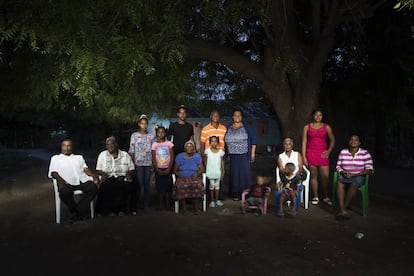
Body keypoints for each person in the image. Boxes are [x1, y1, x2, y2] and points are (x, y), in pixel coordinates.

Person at [48, 138, 98, 221]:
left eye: (68, 146)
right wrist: (60, 180)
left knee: (93, 188)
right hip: (66, 182)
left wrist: (94, 175)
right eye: (64, 145)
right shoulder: (55, 158)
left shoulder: (79, 157)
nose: (66, 148)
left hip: (82, 181)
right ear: (61, 147)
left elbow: (85, 169)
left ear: (72, 147)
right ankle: (76, 210)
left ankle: (76, 211)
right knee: (64, 192)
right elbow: (53, 172)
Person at [335, 135, 373, 220]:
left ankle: (343, 209)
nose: (353, 141)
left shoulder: (365, 153)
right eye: (351, 140)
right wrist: (342, 172)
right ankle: (342, 209)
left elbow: (369, 169)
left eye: (356, 140)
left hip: (358, 176)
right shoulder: (343, 152)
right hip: (346, 175)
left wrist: (354, 175)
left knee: (354, 183)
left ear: (359, 143)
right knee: (339, 183)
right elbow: (338, 166)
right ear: (349, 142)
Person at [302, 108, 335, 205]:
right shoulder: (307, 127)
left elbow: (332, 140)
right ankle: (315, 197)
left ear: (322, 116)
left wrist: (328, 151)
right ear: (313, 116)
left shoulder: (326, 127)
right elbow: (304, 142)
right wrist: (304, 157)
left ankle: (326, 196)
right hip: (311, 153)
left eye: (320, 115)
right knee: (314, 176)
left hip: (322, 154)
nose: (318, 117)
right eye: (316, 115)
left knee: (325, 177)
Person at [96, 136, 135, 216]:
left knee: (125, 186)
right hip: (108, 178)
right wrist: (103, 174)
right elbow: (98, 169)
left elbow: (132, 168)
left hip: (122, 177)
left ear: (116, 144)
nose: (110, 146)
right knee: (106, 187)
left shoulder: (125, 154)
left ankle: (122, 210)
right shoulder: (102, 155)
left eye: (112, 144)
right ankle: (109, 211)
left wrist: (129, 173)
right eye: (107, 145)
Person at [224, 109, 257, 200]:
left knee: (245, 174)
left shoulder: (247, 127)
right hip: (233, 155)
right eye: (235, 115)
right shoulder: (229, 127)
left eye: (239, 115)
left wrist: (253, 153)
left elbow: (253, 140)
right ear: (232, 117)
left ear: (241, 117)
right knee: (234, 175)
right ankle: (235, 194)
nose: (237, 117)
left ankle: (246, 194)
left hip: (244, 154)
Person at [129, 114, 154, 210]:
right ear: (139, 124)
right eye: (142, 123)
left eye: (145, 124)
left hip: (148, 163)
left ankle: (146, 203)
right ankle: (137, 202)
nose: (144, 125)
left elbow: (153, 151)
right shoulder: (134, 136)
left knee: (147, 184)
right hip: (138, 164)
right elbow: (132, 150)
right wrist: (132, 164)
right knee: (139, 184)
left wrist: (153, 165)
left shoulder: (151, 136)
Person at [173, 140, 205, 214]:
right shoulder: (180, 156)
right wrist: (181, 176)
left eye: (191, 146)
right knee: (181, 185)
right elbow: (175, 170)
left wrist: (197, 174)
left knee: (198, 185)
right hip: (182, 177)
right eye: (187, 146)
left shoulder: (197, 156)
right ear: (184, 148)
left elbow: (202, 169)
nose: (189, 148)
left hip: (194, 177)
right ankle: (184, 209)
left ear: (194, 148)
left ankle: (196, 208)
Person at [151, 126, 174, 210]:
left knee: (168, 187)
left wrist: (169, 168)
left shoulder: (169, 144)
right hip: (158, 169)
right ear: (157, 134)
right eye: (159, 132)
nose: (161, 134)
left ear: (165, 133)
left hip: (167, 168)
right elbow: (153, 157)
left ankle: (168, 205)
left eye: (162, 132)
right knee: (159, 188)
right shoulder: (154, 144)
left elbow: (172, 157)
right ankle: (161, 205)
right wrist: (156, 169)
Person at [204, 136, 225, 208]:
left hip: (218, 171)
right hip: (210, 171)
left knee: (217, 186)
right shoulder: (207, 151)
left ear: (218, 142)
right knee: (211, 186)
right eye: (212, 141)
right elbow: (205, 161)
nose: (214, 142)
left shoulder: (220, 151)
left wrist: (223, 170)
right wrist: (205, 170)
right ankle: (212, 201)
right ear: (210, 142)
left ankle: (217, 200)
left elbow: (222, 161)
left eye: (215, 141)